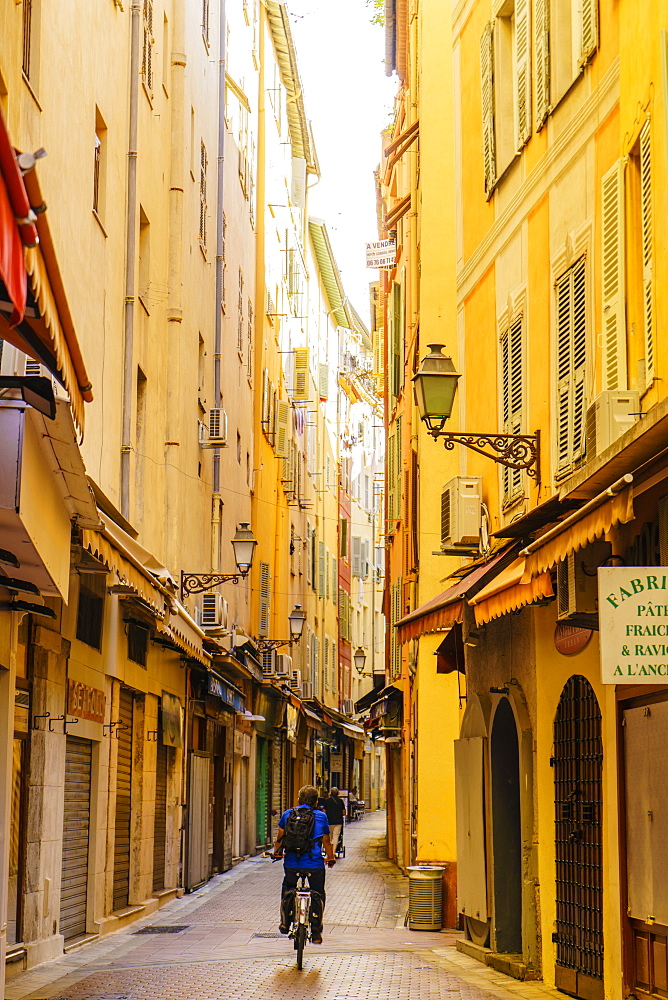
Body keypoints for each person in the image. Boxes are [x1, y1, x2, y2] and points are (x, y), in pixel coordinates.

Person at [273, 784, 336, 944]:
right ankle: (315, 929)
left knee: (288, 888)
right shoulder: (321, 816)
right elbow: (326, 841)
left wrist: (277, 853)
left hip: (292, 863)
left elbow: (279, 838)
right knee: (318, 892)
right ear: (316, 802)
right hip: (314, 864)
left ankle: (285, 921)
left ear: (299, 799)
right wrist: (330, 857)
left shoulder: (288, 814)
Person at [322, 786, 346, 854]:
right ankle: (333, 852)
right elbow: (344, 812)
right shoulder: (340, 801)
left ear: (330, 793)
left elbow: (324, 811)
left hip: (329, 821)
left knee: (330, 837)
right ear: (338, 793)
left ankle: (329, 852)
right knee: (336, 836)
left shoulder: (327, 801)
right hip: (338, 821)